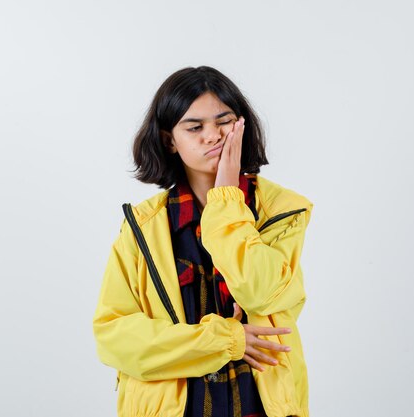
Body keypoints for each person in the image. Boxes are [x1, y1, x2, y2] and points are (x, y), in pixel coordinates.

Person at [93, 66, 314, 417]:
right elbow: (114, 339)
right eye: (194, 127)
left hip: (260, 405)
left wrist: (226, 196)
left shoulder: (282, 211)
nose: (212, 135)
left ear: (241, 126)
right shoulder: (143, 226)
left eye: (224, 121)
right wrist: (225, 341)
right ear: (170, 140)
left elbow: (260, 290)